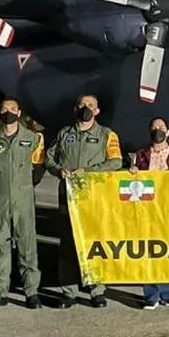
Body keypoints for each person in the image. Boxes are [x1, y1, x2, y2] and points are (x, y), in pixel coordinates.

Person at [45, 93, 123, 309]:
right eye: (82, 105)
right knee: (68, 246)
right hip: (68, 198)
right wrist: (58, 170)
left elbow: (116, 161)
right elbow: (49, 157)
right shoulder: (64, 134)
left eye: (90, 105)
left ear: (97, 111)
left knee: (95, 244)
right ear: (75, 108)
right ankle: (69, 291)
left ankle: (97, 290)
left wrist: (88, 172)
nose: (86, 108)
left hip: (94, 198)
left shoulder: (107, 135)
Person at [0, 97, 46, 310]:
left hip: (24, 198)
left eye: (12, 109)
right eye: (3, 109)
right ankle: (0, 291)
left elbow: (38, 168)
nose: (7, 112)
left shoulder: (33, 138)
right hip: (0, 199)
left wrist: (23, 187)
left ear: (19, 113)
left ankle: (31, 292)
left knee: (28, 245)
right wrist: (3, 188)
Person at [130, 117, 169, 309]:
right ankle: (150, 294)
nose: (158, 130)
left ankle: (168, 292)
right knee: (148, 250)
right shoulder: (140, 155)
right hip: (147, 210)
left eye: (161, 127)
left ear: (168, 131)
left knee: (168, 250)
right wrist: (131, 171)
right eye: (154, 128)